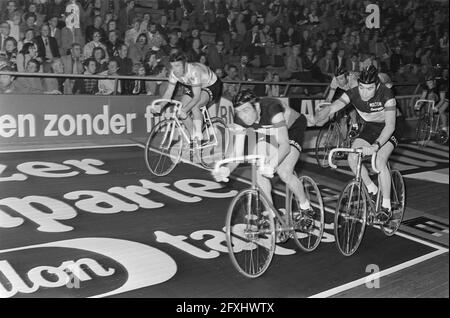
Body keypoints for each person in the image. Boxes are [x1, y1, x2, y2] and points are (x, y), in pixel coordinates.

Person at [212, 89, 315, 227]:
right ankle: (272, 216)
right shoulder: (240, 119)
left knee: (284, 171)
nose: (243, 116)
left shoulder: (271, 108)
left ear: (257, 106)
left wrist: (272, 165)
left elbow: (285, 145)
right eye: (239, 112)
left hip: (291, 128)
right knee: (259, 165)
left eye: (246, 110)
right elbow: (236, 153)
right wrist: (227, 170)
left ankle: (305, 207)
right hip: (268, 130)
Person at [315, 65, 403, 222]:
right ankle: (372, 189)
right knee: (352, 158)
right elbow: (337, 104)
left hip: (391, 127)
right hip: (372, 127)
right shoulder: (354, 92)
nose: (364, 92)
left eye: (369, 89)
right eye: (362, 87)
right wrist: (327, 111)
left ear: (376, 86)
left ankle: (386, 206)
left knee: (379, 160)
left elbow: (390, 126)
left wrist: (375, 146)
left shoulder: (386, 94)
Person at [157, 51, 223, 145]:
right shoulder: (173, 73)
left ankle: (199, 135)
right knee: (181, 110)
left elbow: (196, 97)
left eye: (178, 66)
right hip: (195, 85)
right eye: (173, 66)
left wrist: (186, 109)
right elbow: (168, 93)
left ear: (185, 64)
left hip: (211, 85)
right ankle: (193, 137)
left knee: (194, 105)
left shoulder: (194, 71)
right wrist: (160, 106)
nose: (175, 69)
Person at [325, 66, 359, 137]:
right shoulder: (335, 80)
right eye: (337, 79)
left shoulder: (353, 80)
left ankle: (355, 124)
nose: (339, 82)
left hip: (358, 91)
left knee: (350, 107)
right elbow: (329, 97)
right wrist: (325, 107)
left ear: (347, 77)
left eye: (341, 79)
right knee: (342, 120)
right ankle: (344, 143)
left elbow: (354, 99)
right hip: (345, 91)